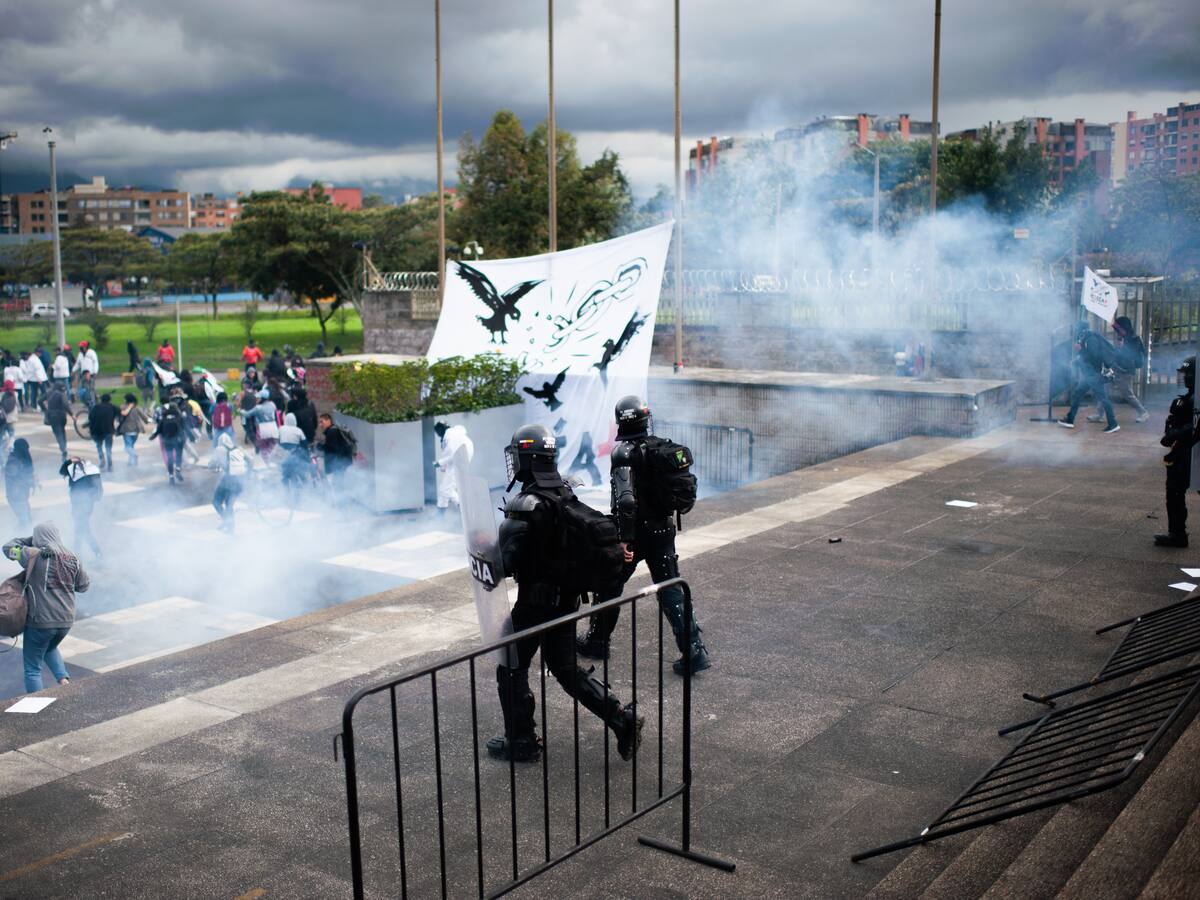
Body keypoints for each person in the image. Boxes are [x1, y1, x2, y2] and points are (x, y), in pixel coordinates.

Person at [487, 423, 643, 763]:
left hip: (534, 605)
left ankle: (521, 741)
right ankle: (621, 718)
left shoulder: (527, 503)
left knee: (509, 664)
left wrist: (485, 551)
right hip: (566, 601)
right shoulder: (564, 491)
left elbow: (505, 564)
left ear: (525, 458)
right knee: (566, 671)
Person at [577, 396, 711, 675]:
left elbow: (625, 501)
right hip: (662, 529)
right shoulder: (658, 446)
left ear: (620, 422)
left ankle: (598, 640)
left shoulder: (624, 452)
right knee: (672, 589)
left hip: (636, 534)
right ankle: (694, 650)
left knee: (609, 583)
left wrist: (624, 539)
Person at [3, 523, 89, 693]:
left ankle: (37, 708)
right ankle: (64, 681)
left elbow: (7, 548)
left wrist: (31, 541)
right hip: (65, 621)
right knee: (49, 647)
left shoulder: (32, 554)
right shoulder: (73, 557)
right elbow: (83, 586)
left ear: (38, 538)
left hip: (40, 621)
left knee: (32, 668)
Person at [1156, 357, 1196, 548]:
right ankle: (1177, 533)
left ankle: (1178, 534)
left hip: (1191, 451)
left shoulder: (1196, 400)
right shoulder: (1187, 399)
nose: (1185, 377)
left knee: (1176, 490)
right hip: (1183, 450)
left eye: (1189, 374)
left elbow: (1194, 426)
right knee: (1174, 491)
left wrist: (1175, 434)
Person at [1058, 322, 1120, 434]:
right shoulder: (1085, 338)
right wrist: (1076, 361)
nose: (1076, 331)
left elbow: (1094, 356)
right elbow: (1085, 357)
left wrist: (1080, 350)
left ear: (1082, 329)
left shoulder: (1091, 339)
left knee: (1104, 399)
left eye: (1078, 329)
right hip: (1089, 375)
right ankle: (1070, 420)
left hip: (1093, 375)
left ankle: (1113, 423)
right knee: (1077, 395)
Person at [1089, 316, 1149, 425]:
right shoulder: (1121, 337)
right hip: (1116, 368)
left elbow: (1139, 354)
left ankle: (1143, 412)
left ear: (1124, 327)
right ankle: (1099, 414)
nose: (1117, 330)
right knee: (1105, 390)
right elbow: (1115, 353)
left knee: (1127, 394)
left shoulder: (1134, 339)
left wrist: (1124, 348)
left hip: (1126, 371)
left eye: (1119, 328)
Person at [59, 457, 103, 560]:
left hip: (79, 505)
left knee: (83, 530)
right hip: (87, 505)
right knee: (80, 529)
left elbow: (61, 471)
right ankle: (79, 553)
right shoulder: (91, 470)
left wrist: (69, 461)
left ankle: (96, 553)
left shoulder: (75, 469)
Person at [210, 432, 248, 533]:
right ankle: (230, 528)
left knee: (216, 501)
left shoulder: (219, 449)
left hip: (228, 480)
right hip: (240, 481)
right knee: (229, 504)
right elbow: (250, 460)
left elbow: (211, 465)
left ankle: (227, 520)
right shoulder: (238, 449)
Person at [434, 422, 473, 514]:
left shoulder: (449, 436)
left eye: (438, 432)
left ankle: (464, 506)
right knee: (443, 488)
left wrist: (439, 463)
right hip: (461, 459)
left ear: (441, 429)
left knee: (446, 489)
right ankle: (440, 514)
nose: (438, 435)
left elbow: (452, 453)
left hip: (458, 460)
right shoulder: (455, 433)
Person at [149, 393, 188, 483]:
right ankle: (178, 468)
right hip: (178, 439)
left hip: (166, 438)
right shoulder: (178, 415)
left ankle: (171, 475)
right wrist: (191, 436)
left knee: (169, 456)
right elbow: (185, 427)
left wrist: (153, 436)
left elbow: (158, 428)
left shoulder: (163, 416)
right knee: (178, 454)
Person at [317, 413, 355, 497]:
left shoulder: (332, 432)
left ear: (328, 421)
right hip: (343, 461)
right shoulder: (334, 430)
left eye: (322, 422)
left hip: (340, 462)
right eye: (319, 422)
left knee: (337, 483)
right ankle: (341, 501)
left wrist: (320, 447)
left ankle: (341, 503)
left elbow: (332, 449)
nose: (320, 425)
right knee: (338, 482)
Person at [4, 438, 36, 531]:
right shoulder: (13, 461)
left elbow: (26, 474)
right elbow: (15, 480)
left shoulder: (20, 457)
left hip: (21, 496)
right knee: (24, 521)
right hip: (16, 497)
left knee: (27, 520)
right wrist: (28, 481)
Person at [87, 393, 119, 472]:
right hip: (108, 430)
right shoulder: (112, 407)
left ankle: (102, 460)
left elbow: (90, 418)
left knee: (99, 446)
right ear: (109, 400)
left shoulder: (95, 407)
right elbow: (120, 413)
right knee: (108, 448)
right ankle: (110, 465)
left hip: (97, 430)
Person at [116, 392, 149, 467]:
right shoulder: (137, 407)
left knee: (127, 447)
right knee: (131, 446)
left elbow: (118, 418)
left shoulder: (123, 407)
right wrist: (147, 421)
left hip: (127, 430)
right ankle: (131, 462)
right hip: (136, 430)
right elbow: (144, 417)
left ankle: (134, 456)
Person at [41, 382, 70, 461]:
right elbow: (65, 404)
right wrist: (71, 414)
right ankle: (64, 448)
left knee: (58, 434)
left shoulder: (49, 393)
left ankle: (63, 449)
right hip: (62, 416)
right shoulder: (61, 394)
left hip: (53, 416)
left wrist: (45, 410)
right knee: (63, 432)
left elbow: (39, 401)